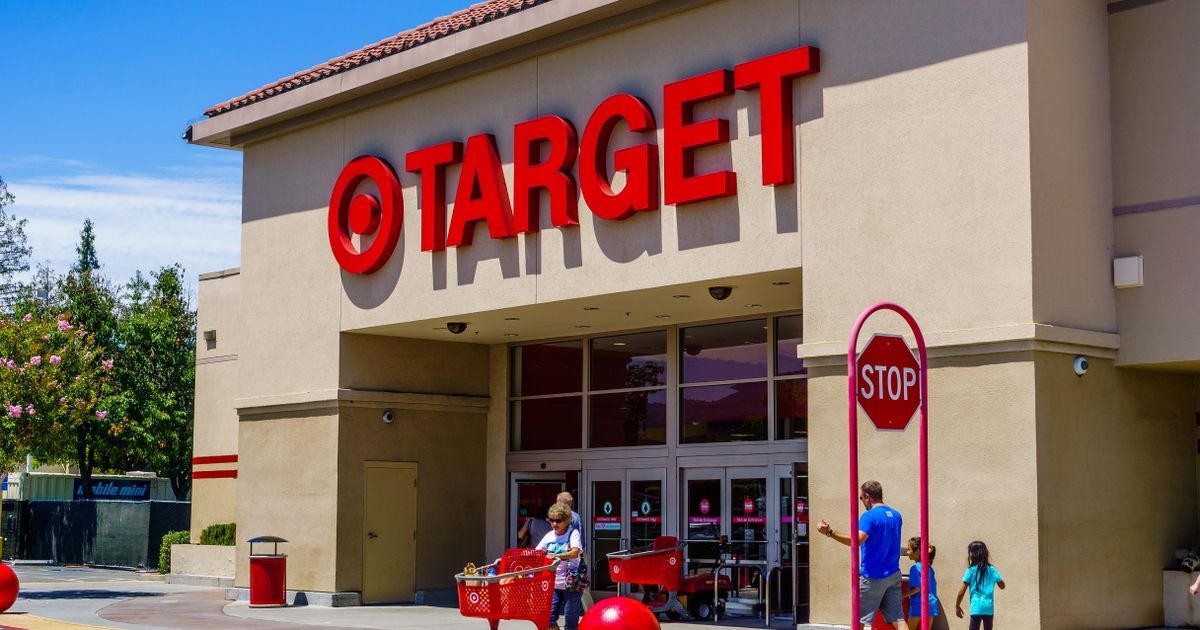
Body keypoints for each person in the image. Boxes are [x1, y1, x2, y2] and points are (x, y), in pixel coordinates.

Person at [816, 481, 910, 630]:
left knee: (858, 620)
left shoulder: (869, 516)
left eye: (861, 498)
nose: (861, 501)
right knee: (898, 619)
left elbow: (856, 540)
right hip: (893, 575)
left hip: (872, 576)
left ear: (867, 496)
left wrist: (829, 532)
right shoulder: (896, 515)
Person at [536, 501, 584, 630]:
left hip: (571, 584)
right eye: (551, 520)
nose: (554, 524)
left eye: (558, 520)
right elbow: (537, 553)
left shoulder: (573, 533)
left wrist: (556, 556)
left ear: (566, 520)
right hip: (553, 584)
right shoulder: (549, 536)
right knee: (549, 619)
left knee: (570, 622)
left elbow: (575, 552)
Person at [955, 540, 1005, 630]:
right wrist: (997, 580)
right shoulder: (992, 569)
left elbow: (961, 592)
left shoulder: (970, 570)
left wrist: (957, 606)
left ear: (972, 555)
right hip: (988, 608)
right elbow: (1002, 586)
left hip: (976, 607)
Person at [900, 537, 939, 629]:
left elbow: (917, 588)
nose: (907, 552)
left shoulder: (914, 568)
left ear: (917, 551)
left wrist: (902, 596)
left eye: (909, 549)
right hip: (931, 605)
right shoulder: (930, 569)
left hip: (919, 605)